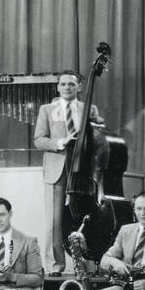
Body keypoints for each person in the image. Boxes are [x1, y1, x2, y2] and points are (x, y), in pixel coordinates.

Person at [33, 70, 104, 273]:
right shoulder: (46, 109)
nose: (66, 88)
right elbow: (38, 139)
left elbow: (98, 136)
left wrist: (98, 127)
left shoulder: (89, 108)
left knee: (83, 215)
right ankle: (55, 265)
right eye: (63, 84)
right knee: (54, 221)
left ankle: (86, 264)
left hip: (83, 169)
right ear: (57, 87)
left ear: (79, 87)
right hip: (56, 168)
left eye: (71, 84)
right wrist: (59, 142)